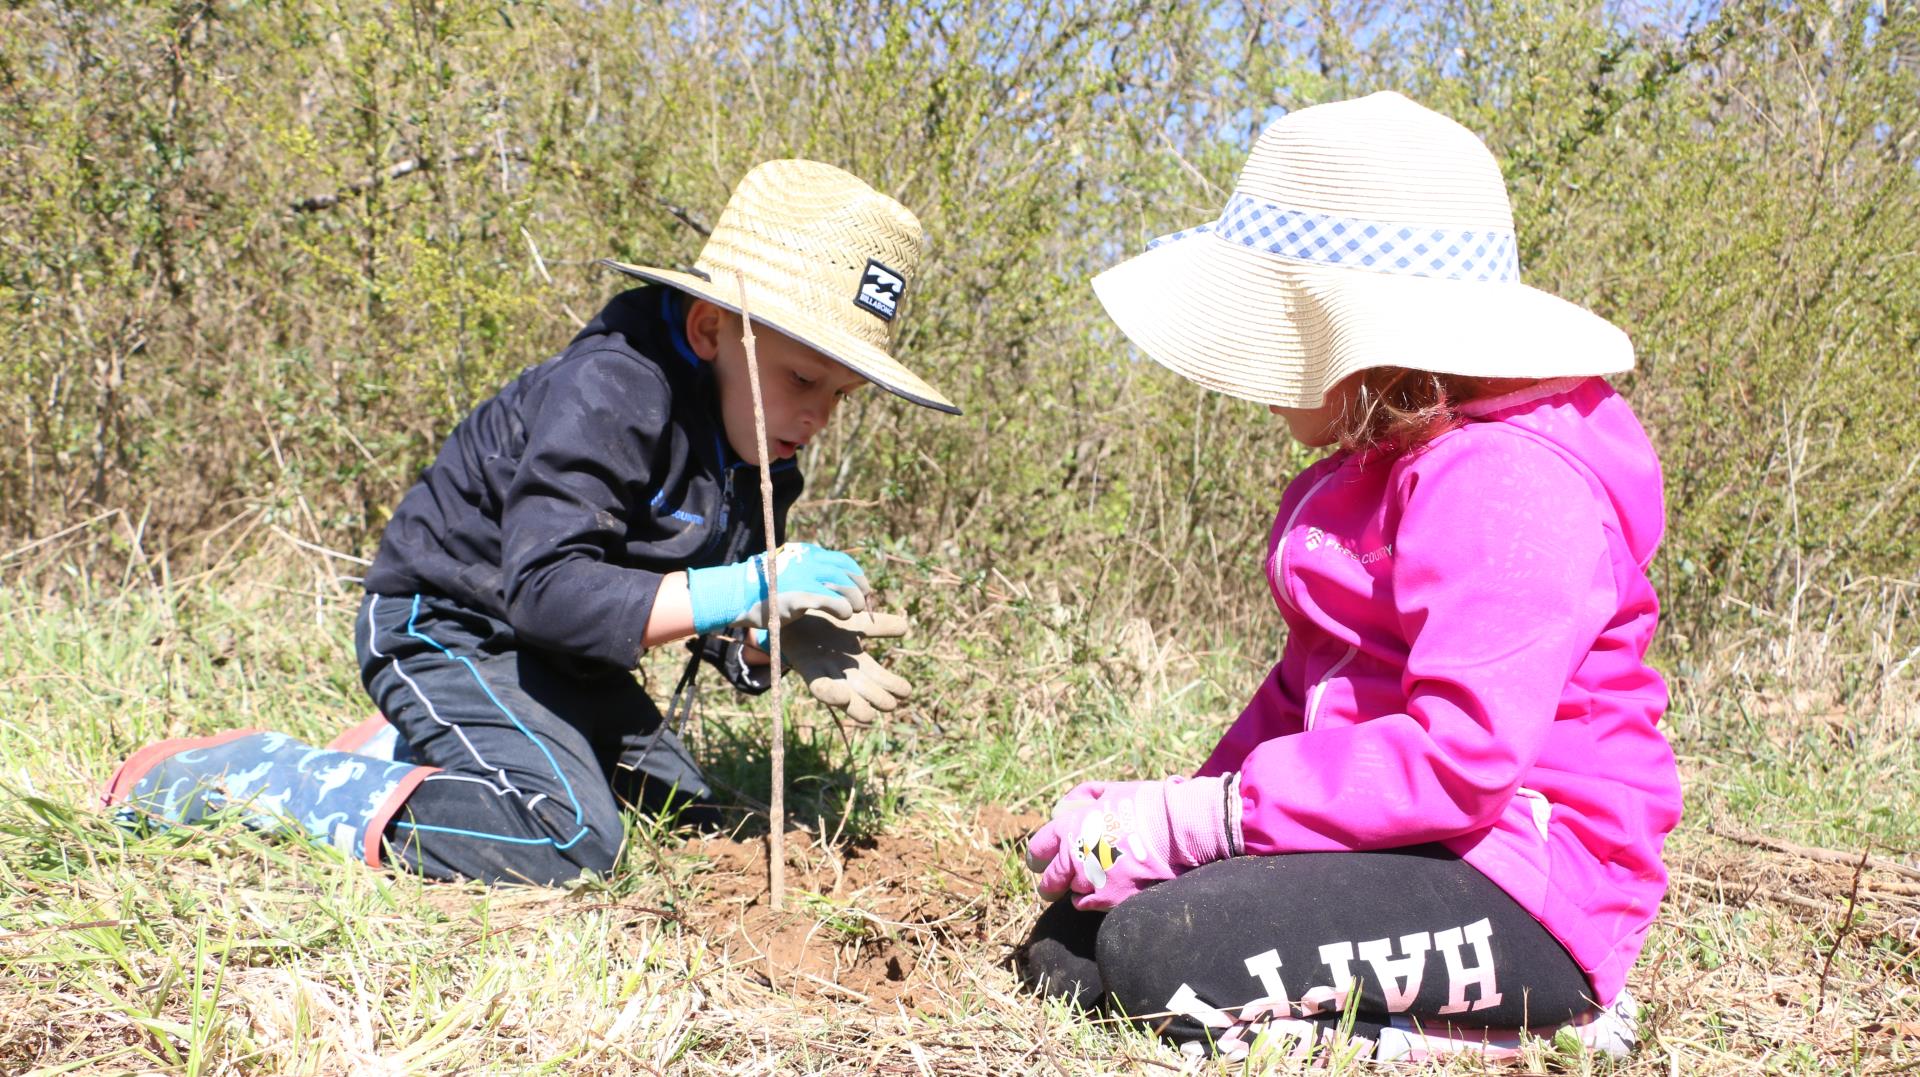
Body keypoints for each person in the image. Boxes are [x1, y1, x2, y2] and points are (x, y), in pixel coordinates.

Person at [1016, 92, 1680, 1063]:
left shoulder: (1507, 481)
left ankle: (1541, 1028)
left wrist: (1208, 821)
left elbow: (1461, 761)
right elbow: (1303, 698)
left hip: (1520, 881)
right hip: (1404, 846)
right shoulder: (1364, 476)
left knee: (1161, 956)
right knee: (1074, 952)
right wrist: (1164, 812)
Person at [104, 160, 952, 886]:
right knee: (567, 837)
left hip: (559, 654)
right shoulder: (614, 387)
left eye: (842, 396)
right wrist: (744, 584)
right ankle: (245, 779)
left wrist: (765, 636)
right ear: (708, 327)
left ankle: (411, 747)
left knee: (689, 818)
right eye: (804, 379)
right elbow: (546, 590)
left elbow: (697, 613)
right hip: (448, 622)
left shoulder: (766, 450)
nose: (820, 416)